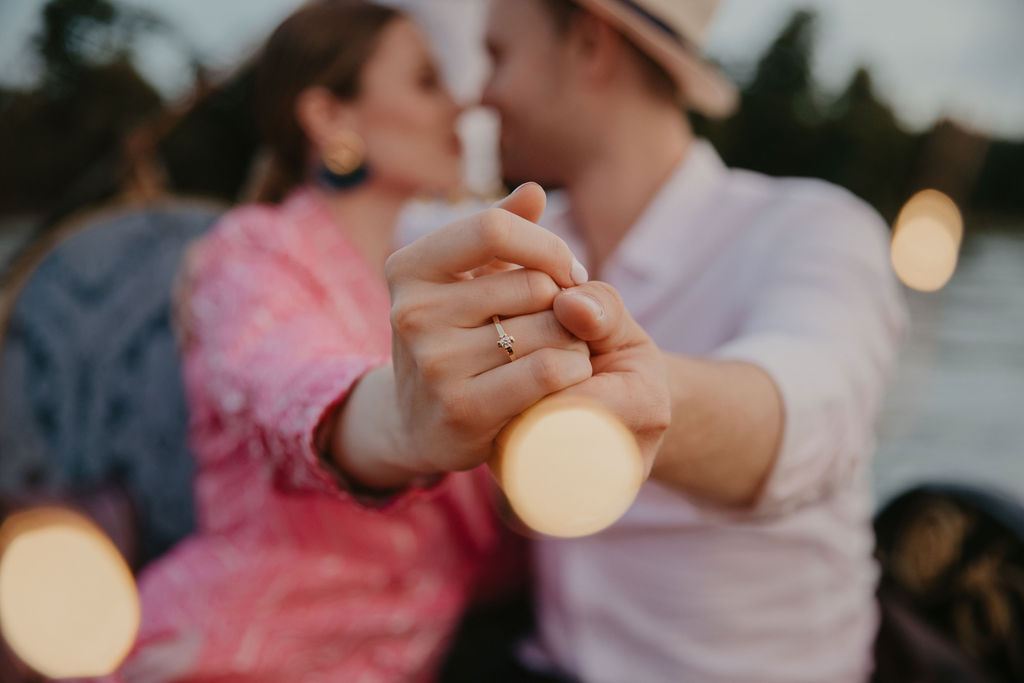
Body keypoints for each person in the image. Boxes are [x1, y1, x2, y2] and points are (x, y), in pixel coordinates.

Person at [377, 0, 907, 681]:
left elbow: (812, 406)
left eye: (499, 56)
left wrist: (636, 393)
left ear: (592, 44)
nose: (480, 93)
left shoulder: (813, 228)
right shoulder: (506, 245)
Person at [95, 3, 590, 680]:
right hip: (233, 652)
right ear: (330, 117)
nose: (460, 105)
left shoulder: (437, 280)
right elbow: (285, 379)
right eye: (425, 81)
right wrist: (407, 421)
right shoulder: (249, 254)